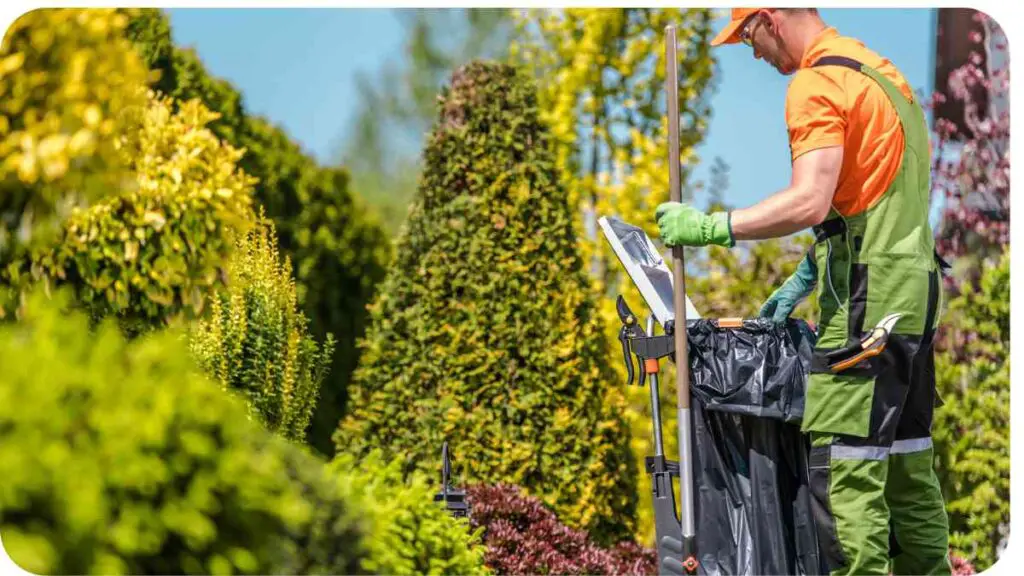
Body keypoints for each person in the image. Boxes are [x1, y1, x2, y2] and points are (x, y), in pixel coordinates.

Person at [655, 8, 952, 575]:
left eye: (747, 35)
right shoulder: (883, 75)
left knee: (845, 471)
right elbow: (880, 197)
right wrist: (813, 268)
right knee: (907, 464)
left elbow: (810, 199)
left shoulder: (817, 84)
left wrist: (714, 226)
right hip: (914, 291)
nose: (751, 51)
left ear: (770, 18)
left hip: (867, 301)